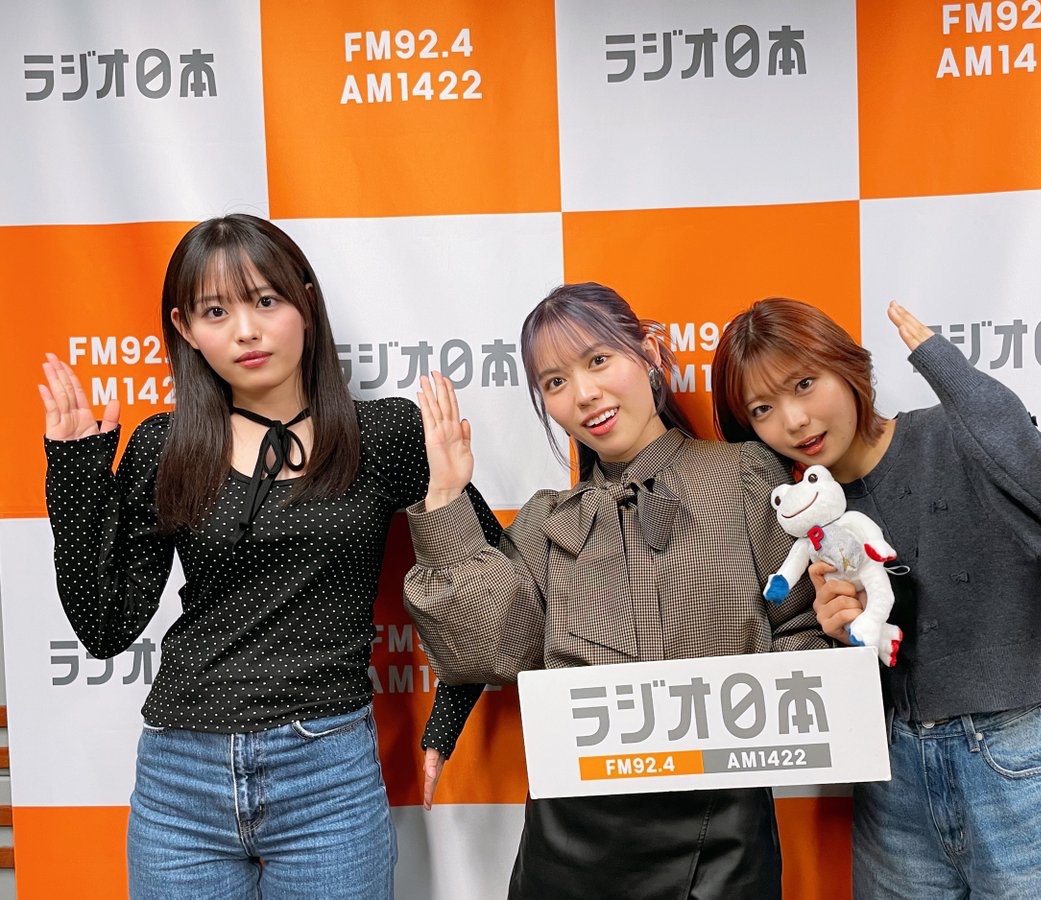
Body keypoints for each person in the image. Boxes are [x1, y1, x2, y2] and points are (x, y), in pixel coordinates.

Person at [38, 214, 502, 898]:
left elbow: (488, 588)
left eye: (265, 300)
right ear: (185, 329)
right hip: (180, 779)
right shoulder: (165, 445)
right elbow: (104, 628)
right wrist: (76, 472)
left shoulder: (386, 433)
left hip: (328, 779)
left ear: (305, 303)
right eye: (215, 312)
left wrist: (448, 717)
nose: (246, 331)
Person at [403, 282, 829, 899]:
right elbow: (487, 649)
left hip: (719, 829)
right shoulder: (549, 519)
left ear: (649, 354)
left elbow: (805, 629)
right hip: (571, 838)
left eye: (598, 360)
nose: (584, 394)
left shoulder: (740, 475)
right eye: (555, 382)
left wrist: (729, 714)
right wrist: (446, 495)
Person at [711, 297, 1041, 899]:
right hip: (891, 779)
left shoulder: (956, 434)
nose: (795, 420)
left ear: (847, 367)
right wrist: (844, 637)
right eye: (762, 409)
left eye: (804, 383)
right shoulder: (802, 517)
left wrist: (955, 378)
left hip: (1014, 758)